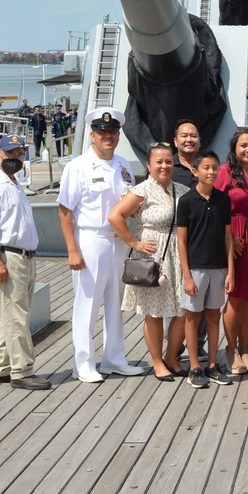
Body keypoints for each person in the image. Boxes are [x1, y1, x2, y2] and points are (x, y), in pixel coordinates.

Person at [57, 108, 145, 383]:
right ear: (92, 135)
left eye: (112, 132)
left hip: (119, 240)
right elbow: (64, 210)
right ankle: (82, 363)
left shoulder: (124, 165)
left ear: (118, 135)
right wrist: (72, 249)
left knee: (116, 302)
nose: (108, 136)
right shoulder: (78, 166)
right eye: (102, 132)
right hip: (90, 238)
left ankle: (114, 359)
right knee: (87, 303)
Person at [109, 143, 191, 382]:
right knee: (154, 313)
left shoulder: (182, 190)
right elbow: (115, 216)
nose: (165, 166)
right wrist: (134, 243)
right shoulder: (141, 190)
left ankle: (172, 357)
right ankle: (157, 362)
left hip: (180, 254)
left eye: (168, 161)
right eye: (159, 162)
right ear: (149, 165)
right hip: (154, 256)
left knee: (183, 310)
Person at [0, 133, 51, 390]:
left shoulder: (15, 183)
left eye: (20, 154)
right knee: (16, 315)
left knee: (15, 313)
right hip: (9, 256)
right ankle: (22, 370)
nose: (16, 159)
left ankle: (1, 366)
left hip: (26, 257)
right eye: (11, 154)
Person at [177, 150, 235, 388]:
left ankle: (212, 364)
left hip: (219, 267)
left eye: (214, 168)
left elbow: (228, 237)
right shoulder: (187, 201)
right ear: (196, 170)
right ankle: (194, 366)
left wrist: (230, 270)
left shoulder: (223, 199)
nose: (211, 172)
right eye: (206, 168)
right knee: (192, 317)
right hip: (196, 268)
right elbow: (181, 241)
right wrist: (187, 276)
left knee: (213, 315)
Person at [215, 127, 248, 375]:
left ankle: (246, 349)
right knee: (235, 297)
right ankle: (231, 348)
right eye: (244, 145)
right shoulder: (225, 173)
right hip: (232, 236)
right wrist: (229, 237)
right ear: (234, 148)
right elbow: (213, 205)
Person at [170, 119, 206, 357]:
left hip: (203, 238)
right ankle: (174, 346)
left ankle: (198, 344)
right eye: (184, 136)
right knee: (175, 295)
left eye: (193, 135)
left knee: (201, 291)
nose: (189, 139)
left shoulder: (207, 166)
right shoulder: (167, 166)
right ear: (176, 141)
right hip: (175, 238)